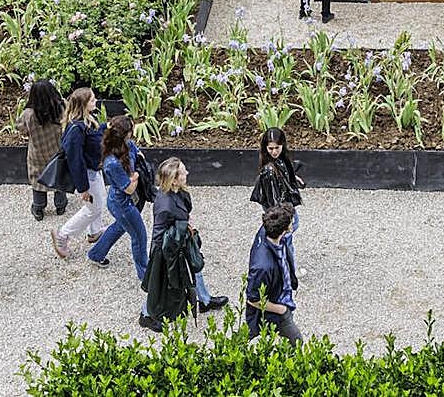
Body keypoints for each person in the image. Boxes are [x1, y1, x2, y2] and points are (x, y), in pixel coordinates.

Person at [139, 157, 226, 332]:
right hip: (168, 249)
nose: (187, 173)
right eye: (183, 171)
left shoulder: (176, 193)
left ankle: (205, 300)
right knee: (160, 283)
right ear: (174, 179)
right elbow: (159, 233)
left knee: (196, 267)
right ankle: (146, 315)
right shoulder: (165, 204)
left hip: (181, 242)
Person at [86, 116, 148, 278]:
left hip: (122, 201)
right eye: (131, 132)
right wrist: (135, 176)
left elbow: (137, 152)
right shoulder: (112, 163)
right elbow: (129, 188)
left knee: (120, 227)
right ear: (124, 135)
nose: (132, 135)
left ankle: (96, 254)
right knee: (139, 236)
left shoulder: (127, 145)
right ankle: (146, 276)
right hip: (122, 204)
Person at [50, 88, 106, 260]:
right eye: (92, 100)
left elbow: (94, 137)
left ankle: (94, 232)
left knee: (99, 201)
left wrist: (106, 127)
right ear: (83, 105)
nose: (95, 101)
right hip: (88, 174)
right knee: (93, 207)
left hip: (95, 170)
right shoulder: (76, 129)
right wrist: (83, 188)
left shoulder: (88, 119)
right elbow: (75, 160)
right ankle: (62, 235)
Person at [245, 204, 301, 342]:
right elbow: (253, 299)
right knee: (296, 341)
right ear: (285, 230)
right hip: (275, 308)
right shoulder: (262, 267)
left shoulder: (269, 230)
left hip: (279, 294)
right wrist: (281, 309)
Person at [250, 128, 304, 264]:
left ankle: (287, 266)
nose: (274, 152)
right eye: (271, 148)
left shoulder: (280, 161)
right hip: (281, 210)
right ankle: (288, 268)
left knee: (287, 239)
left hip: (283, 206)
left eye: (277, 148)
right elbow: (273, 202)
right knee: (286, 240)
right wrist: (283, 220)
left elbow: (283, 171)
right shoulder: (269, 170)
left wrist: (291, 177)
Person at [20, 79, 67, 222]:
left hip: (37, 154)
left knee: (38, 181)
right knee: (59, 176)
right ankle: (60, 205)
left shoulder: (28, 114)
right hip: (57, 150)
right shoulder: (60, 108)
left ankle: (39, 208)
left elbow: (21, 129)